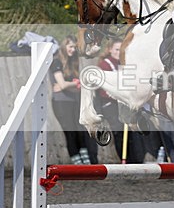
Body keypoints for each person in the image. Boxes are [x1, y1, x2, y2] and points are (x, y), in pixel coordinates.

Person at [96, 40, 162, 162]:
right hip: (111, 103)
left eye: (122, 50)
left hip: (128, 102)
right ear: (110, 49)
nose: (119, 52)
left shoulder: (127, 64)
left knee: (138, 126)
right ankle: (124, 157)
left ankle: (140, 157)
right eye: (116, 49)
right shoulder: (105, 65)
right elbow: (104, 88)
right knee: (119, 128)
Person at [50, 35, 98, 165]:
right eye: (70, 46)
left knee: (80, 129)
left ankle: (85, 158)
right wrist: (77, 83)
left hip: (74, 100)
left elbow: (65, 85)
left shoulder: (73, 63)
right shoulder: (56, 62)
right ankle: (76, 159)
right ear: (64, 47)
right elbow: (63, 84)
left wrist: (70, 84)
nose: (73, 50)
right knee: (70, 131)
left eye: (74, 47)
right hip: (61, 102)